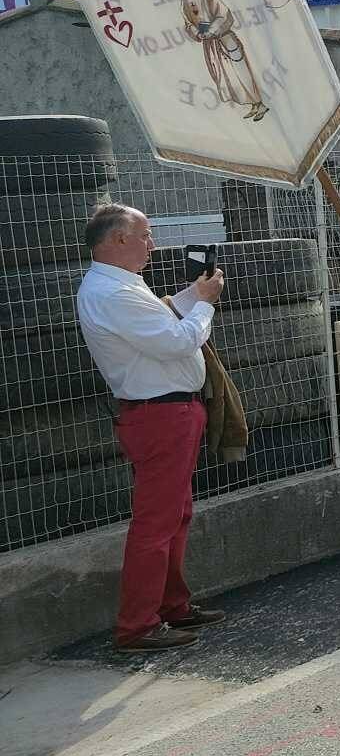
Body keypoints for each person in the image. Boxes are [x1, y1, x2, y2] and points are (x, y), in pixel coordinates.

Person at [75, 204, 229, 652]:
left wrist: (192, 296)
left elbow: (160, 320)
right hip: (159, 415)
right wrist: (204, 306)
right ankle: (138, 625)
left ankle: (171, 605)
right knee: (156, 523)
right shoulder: (112, 293)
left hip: (169, 412)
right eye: (144, 235)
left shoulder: (122, 287)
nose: (152, 244)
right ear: (118, 239)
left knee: (174, 515)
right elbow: (174, 340)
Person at [178, 0, 268, 122]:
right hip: (209, 43)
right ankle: (252, 105)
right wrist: (198, 32)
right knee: (228, 76)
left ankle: (259, 104)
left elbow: (223, 14)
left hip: (224, 38)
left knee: (241, 72)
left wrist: (212, 30)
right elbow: (188, 22)